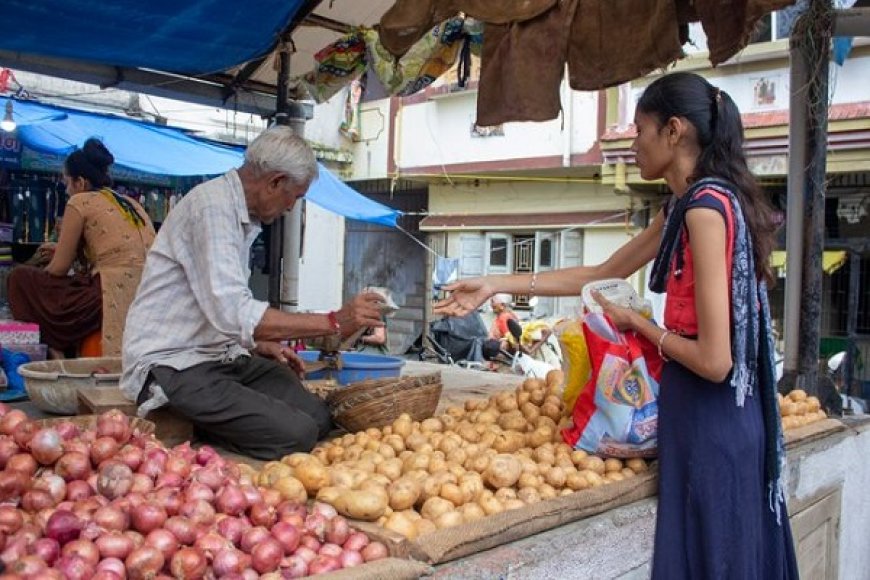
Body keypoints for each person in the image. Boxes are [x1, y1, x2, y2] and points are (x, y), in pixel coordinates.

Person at [435, 72, 798, 579]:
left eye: (639, 130)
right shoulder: (683, 208)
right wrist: (495, 282)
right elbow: (600, 275)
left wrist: (638, 325)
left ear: (673, 132)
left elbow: (716, 362)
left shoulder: (706, 210)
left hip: (715, 426)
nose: (632, 145)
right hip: (696, 419)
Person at [121, 126, 385, 460]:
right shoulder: (212, 209)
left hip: (220, 356)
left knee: (320, 417)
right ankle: (205, 431)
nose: (292, 207)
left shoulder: (240, 214)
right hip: (175, 363)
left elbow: (220, 309)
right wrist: (333, 320)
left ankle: (233, 420)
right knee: (297, 434)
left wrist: (257, 342)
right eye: (296, 196)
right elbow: (233, 311)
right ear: (275, 182)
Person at [8, 139, 156, 357]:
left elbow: (58, 269)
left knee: (19, 279)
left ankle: (54, 347)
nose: (67, 190)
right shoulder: (130, 203)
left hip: (106, 294)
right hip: (148, 291)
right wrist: (63, 249)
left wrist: (44, 270)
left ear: (81, 182)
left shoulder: (80, 201)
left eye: (67, 183)